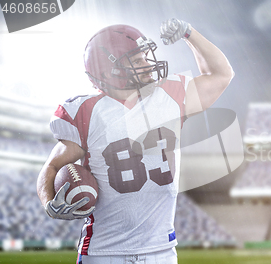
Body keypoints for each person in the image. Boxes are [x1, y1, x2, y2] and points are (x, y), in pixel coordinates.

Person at [36, 18, 234, 263]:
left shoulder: (168, 96)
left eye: (145, 56)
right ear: (109, 71)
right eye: (137, 60)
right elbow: (52, 166)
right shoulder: (86, 111)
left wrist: (190, 34)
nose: (148, 64)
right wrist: (48, 202)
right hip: (103, 252)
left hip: (161, 251)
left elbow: (221, 74)